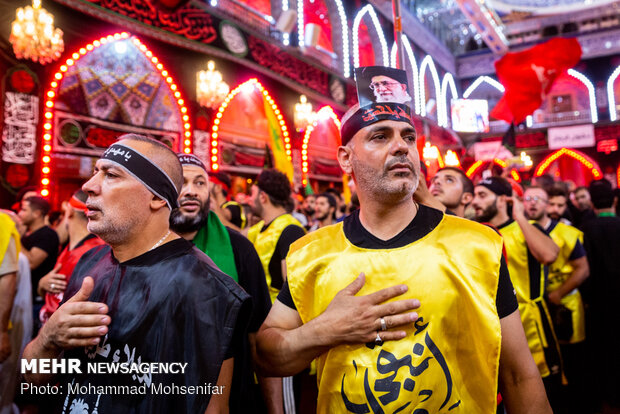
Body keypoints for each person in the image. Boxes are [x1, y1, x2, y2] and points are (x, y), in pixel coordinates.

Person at [257, 93, 551, 413]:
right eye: (380, 136)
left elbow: (519, 376)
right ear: (345, 158)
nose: (401, 146)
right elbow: (265, 356)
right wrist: (323, 331)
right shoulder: (311, 253)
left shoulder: (478, 245)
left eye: (408, 137)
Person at [22, 134, 251, 413]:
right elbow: (34, 380)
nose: (89, 186)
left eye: (111, 175)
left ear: (156, 197)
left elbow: (213, 408)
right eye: (95, 172)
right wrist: (48, 339)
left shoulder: (205, 290)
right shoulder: (88, 264)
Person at [170, 153, 281, 414]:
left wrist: (276, 410)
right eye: (181, 183)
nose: (191, 192)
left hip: (234, 396)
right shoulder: (144, 248)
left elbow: (259, 336)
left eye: (199, 183)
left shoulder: (239, 248)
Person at [471, 178, 562, 406]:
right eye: (474, 195)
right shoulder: (475, 234)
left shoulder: (525, 228)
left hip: (532, 327)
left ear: (503, 200)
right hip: (496, 331)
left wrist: (520, 216)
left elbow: (550, 255)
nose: (475, 201)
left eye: (482, 195)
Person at [524, 186, 590, 412]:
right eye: (528, 199)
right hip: (537, 310)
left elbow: (583, 269)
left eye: (538, 199)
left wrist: (558, 294)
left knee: (572, 361)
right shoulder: (522, 231)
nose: (533, 204)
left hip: (565, 305)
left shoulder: (567, 233)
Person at [246, 169, 306, 413]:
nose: (248, 200)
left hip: (281, 335)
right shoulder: (254, 231)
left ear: (263, 197)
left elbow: (295, 287)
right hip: (256, 336)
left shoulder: (291, 230)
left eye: (251, 194)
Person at [580, 179, 620, 413]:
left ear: (592, 203)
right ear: (614, 200)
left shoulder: (586, 229)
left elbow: (585, 269)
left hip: (598, 304)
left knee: (604, 351)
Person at [37, 190, 105, 324]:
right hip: (47, 327)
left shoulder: (95, 251)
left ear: (70, 212)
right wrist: (42, 285)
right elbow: (54, 294)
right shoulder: (68, 248)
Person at [18, 195, 59, 332]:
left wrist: (13, 237)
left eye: (24, 210)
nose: (20, 213)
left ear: (36, 213)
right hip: (23, 299)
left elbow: (31, 263)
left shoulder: (47, 235)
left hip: (36, 301)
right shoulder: (27, 234)